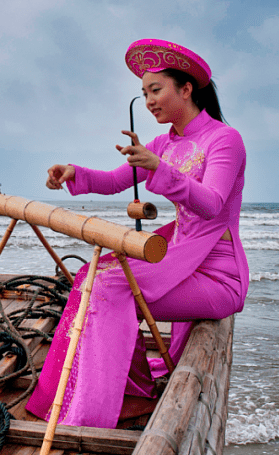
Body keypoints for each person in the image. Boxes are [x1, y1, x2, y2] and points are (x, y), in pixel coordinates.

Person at [24, 39, 249, 429]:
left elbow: (212, 203)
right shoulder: (162, 144)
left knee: (110, 288)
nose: (148, 101)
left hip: (217, 274)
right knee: (90, 277)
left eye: (155, 90)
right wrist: (75, 173)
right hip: (180, 261)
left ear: (186, 88)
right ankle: (124, 390)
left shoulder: (224, 139)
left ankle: (108, 406)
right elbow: (115, 180)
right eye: (144, 93)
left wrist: (161, 171)